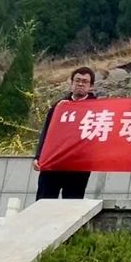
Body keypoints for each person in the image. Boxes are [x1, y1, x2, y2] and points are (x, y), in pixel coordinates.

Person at [33, 67, 97, 200]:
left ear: (91, 86)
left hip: (78, 166)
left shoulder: (97, 109)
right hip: (53, 162)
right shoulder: (59, 106)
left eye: (85, 81)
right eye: (77, 80)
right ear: (71, 83)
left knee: (71, 204)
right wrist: (38, 156)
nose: (80, 84)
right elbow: (47, 132)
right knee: (44, 202)